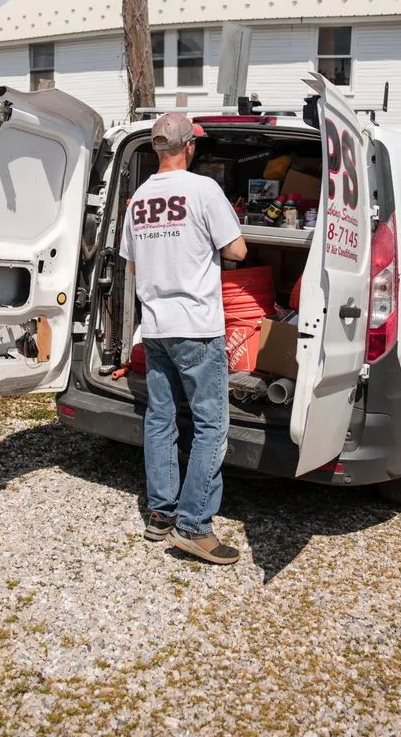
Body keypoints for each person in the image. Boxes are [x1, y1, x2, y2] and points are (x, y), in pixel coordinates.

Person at [119, 112, 247, 563]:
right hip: (196, 326)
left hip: (156, 326)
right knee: (212, 424)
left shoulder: (138, 200)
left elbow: (132, 264)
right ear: (189, 146)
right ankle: (194, 525)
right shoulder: (203, 189)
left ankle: (161, 514)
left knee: (160, 419)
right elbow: (237, 249)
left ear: (156, 148)